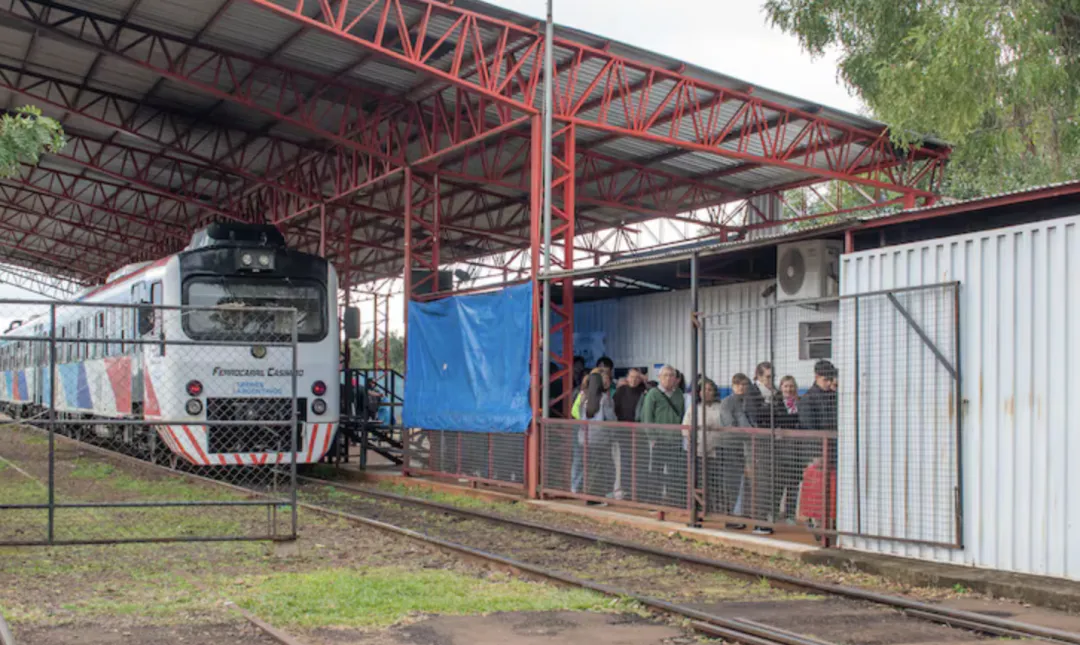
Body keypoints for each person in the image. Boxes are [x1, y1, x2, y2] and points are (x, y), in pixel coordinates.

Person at [640, 365, 685, 503]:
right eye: (665, 375)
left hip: (675, 439)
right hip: (659, 440)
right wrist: (652, 438)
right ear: (659, 377)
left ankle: (674, 499)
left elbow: (682, 414)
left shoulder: (679, 394)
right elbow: (646, 417)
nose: (668, 378)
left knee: (675, 472)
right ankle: (654, 500)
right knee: (656, 472)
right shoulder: (653, 393)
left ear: (676, 379)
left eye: (671, 375)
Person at [717, 373, 752, 529]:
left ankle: (743, 514)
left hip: (748, 447)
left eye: (744, 384)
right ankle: (730, 516)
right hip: (731, 447)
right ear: (732, 386)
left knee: (747, 483)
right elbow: (729, 425)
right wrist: (748, 432)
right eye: (738, 384)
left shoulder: (751, 402)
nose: (741, 387)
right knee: (731, 483)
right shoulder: (727, 402)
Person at [611, 368, 646, 500]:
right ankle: (625, 488)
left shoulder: (643, 391)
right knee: (626, 460)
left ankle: (637, 489)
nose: (634, 380)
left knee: (639, 461)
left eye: (637, 377)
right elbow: (614, 408)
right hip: (623, 431)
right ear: (627, 377)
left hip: (639, 432)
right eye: (632, 377)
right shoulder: (621, 391)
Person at [744, 361, 776, 427]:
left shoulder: (776, 390)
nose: (771, 380)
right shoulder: (751, 391)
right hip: (759, 431)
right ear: (759, 377)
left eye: (773, 376)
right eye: (768, 377)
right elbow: (755, 416)